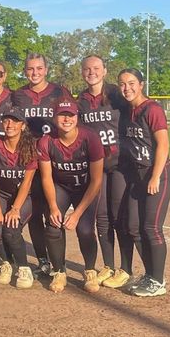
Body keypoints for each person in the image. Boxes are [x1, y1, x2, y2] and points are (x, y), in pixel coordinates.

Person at [115, 68, 170, 297]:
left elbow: (163, 144)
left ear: (141, 84)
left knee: (151, 227)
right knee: (133, 226)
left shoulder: (152, 109)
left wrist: (155, 176)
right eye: (122, 83)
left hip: (158, 175)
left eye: (131, 83)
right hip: (138, 177)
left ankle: (158, 281)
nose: (126, 88)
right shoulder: (127, 111)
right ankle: (151, 275)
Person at [11, 53, 73, 277]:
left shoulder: (59, 92)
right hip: (28, 161)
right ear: (25, 71)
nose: (34, 73)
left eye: (38, 68)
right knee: (35, 215)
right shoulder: (18, 95)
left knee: (53, 213)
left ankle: (60, 265)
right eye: (30, 69)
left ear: (46, 69)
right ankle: (43, 260)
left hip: (53, 162)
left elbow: (71, 121)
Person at [37, 100, 104, 294]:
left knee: (84, 229)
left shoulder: (90, 138)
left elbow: (97, 180)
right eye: (62, 115)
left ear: (77, 117)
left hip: (85, 188)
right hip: (61, 187)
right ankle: (59, 271)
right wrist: (53, 206)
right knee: (53, 225)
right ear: (54, 117)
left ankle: (90, 270)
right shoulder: (46, 141)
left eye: (71, 115)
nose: (66, 119)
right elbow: (47, 177)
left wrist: (76, 214)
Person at [77, 55, 132, 288]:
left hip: (119, 164)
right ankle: (108, 266)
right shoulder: (80, 100)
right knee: (101, 218)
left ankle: (126, 269)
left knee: (119, 217)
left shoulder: (116, 94)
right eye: (87, 69)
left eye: (96, 68)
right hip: (97, 166)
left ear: (105, 70)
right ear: (82, 72)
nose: (92, 72)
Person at [0, 105, 36, 289]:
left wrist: (15, 209)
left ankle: (23, 267)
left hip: (24, 196)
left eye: (15, 120)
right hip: (1, 194)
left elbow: (27, 182)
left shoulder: (30, 146)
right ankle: (7, 263)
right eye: (6, 120)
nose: (10, 124)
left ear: (23, 125)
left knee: (11, 229)